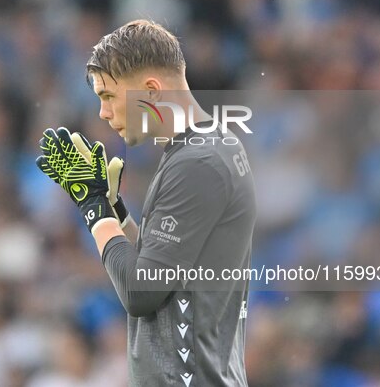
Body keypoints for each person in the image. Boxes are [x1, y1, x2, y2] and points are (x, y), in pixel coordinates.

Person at [36, 19, 256, 387]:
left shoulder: (196, 164)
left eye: (108, 96)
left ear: (151, 91)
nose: (103, 114)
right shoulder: (208, 147)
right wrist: (116, 211)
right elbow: (170, 268)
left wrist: (94, 210)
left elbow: (143, 291)